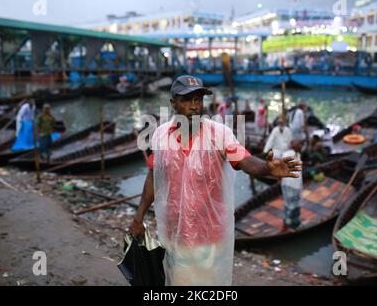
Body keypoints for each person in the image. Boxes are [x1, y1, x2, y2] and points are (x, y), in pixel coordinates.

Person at [128, 75, 302, 286]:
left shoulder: (219, 134)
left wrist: (266, 168)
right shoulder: (161, 135)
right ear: (173, 103)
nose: (194, 106)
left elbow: (244, 159)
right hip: (174, 232)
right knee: (176, 281)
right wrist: (139, 218)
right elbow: (154, 177)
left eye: (198, 100)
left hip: (209, 236)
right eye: (187, 100)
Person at [281, 140, 303, 231]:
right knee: (293, 205)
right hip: (291, 184)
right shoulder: (288, 154)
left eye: (301, 144)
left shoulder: (297, 154)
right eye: (299, 144)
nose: (300, 146)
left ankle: (287, 222)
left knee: (289, 204)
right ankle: (292, 225)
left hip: (292, 184)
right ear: (292, 145)